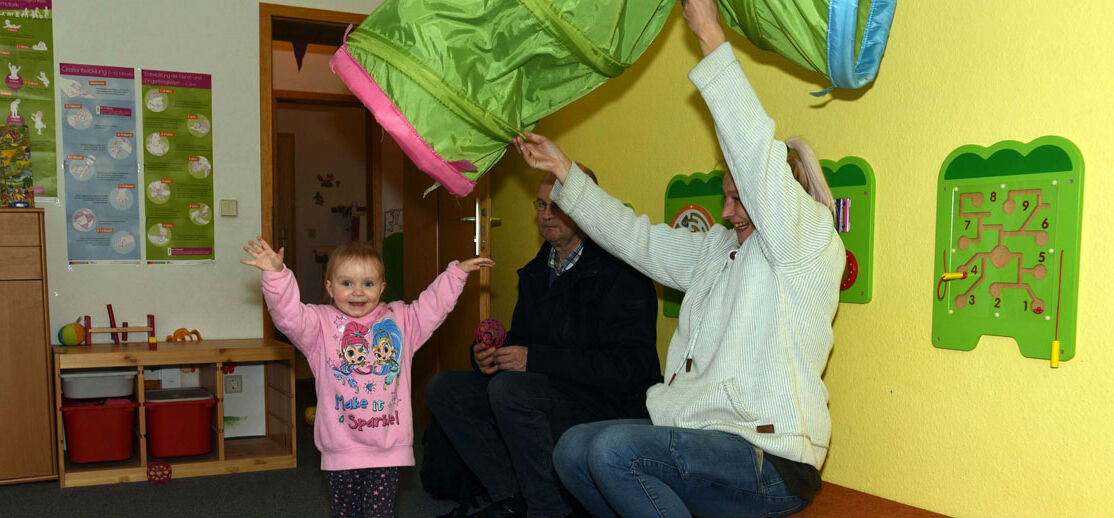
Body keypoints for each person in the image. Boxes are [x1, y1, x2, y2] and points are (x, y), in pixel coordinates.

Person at [513, 0, 845, 515]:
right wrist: (566, 175)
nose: (730, 211)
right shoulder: (719, 250)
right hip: (699, 441)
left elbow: (755, 153)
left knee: (613, 452)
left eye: (742, 200)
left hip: (771, 461)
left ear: (780, 199)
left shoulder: (807, 241)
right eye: (726, 197)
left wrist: (711, 36)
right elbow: (636, 238)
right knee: (574, 449)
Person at [425, 169, 661, 518]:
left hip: (606, 403)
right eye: (540, 204)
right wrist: (490, 356)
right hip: (548, 388)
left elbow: (631, 367)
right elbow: (524, 342)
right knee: (446, 388)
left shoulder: (622, 272)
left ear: (586, 208)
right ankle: (511, 498)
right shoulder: (537, 270)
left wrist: (533, 359)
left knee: (511, 391)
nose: (546, 214)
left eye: (557, 205)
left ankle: (548, 510)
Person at [242, 238, 494, 517]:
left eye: (368, 284)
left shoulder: (401, 320)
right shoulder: (319, 325)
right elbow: (288, 316)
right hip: (341, 449)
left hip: (387, 448)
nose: (357, 292)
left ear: (382, 287)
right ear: (329, 287)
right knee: (346, 512)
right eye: (347, 283)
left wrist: (456, 273)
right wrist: (276, 276)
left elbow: (433, 306)